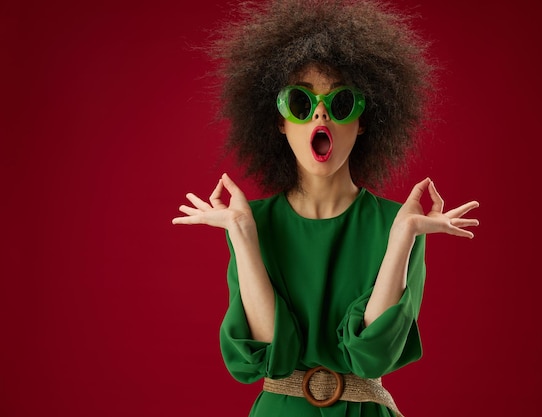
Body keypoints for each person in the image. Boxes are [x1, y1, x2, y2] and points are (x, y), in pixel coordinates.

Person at [172, 0, 479, 415]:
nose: (320, 112)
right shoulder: (252, 223)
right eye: (300, 103)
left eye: (340, 103)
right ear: (279, 121)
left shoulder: (402, 224)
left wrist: (401, 239)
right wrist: (243, 237)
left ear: (364, 119)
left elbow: (372, 356)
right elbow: (269, 356)